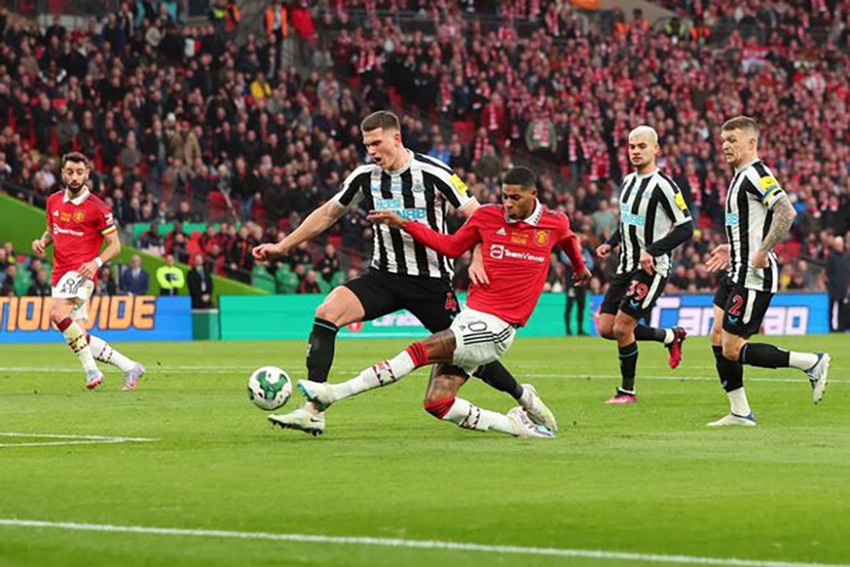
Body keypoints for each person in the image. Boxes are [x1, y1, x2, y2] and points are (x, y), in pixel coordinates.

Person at [254, 110, 551, 436]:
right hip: (384, 277)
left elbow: (478, 216)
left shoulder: (435, 172)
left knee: (468, 356)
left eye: (377, 143)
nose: (372, 151)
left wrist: (478, 257)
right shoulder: (364, 177)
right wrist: (283, 246)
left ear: (396, 138)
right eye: (367, 145)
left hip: (431, 284)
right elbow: (328, 213)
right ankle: (313, 410)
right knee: (327, 312)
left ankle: (523, 396)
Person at [295, 167, 591, 438]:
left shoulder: (553, 222)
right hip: (471, 317)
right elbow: (450, 247)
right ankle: (515, 422)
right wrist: (404, 224)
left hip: (500, 326)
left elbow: (568, 239)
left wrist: (580, 268)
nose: (509, 203)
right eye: (505, 196)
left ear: (533, 195)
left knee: (419, 351)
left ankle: (332, 393)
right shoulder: (488, 216)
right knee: (437, 403)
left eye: (515, 197)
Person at [704, 116, 830, 427]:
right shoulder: (738, 177)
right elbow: (751, 227)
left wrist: (762, 251)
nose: (725, 146)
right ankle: (739, 412)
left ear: (751, 143)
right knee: (717, 337)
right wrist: (732, 248)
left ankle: (810, 363)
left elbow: (785, 211)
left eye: (732, 140)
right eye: (723, 141)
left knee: (732, 348)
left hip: (753, 275)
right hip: (736, 269)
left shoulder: (757, 174)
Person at [594, 126, 693, 404]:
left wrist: (652, 250)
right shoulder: (627, 182)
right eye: (632, 147)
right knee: (606, 328)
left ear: (655, 149)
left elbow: (686, 227)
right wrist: (611, 243)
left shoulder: (665, 186)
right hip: (625, 265)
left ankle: (627, 392)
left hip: (652, 268)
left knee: (623, 329)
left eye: (641, 147)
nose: (636, 151)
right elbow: (627, 221)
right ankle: (670, 336)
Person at [31, 152, 145, 390]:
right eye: (70, 172)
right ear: (62, 173)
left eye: (79, 172)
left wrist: (96, 263)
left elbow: (115, 245)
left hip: (82, 272)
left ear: (87, 174)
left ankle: (91, 370)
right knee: (79, 334)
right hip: (59, 272)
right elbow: (53, 230)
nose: (74, 177)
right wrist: (42, 241)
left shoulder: (98, 208)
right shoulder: (53, 201)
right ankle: (130, 367)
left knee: (57, 314)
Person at [826, 236, 848, 332]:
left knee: (842, 309)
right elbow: (829, 272)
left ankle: (841, 327)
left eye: (840, 244)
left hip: (843, 287)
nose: (839, 246)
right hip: (833, 288)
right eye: (837, 244)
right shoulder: (831, 257)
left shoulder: (846, 256)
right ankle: (832, 327)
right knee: (833, 308)